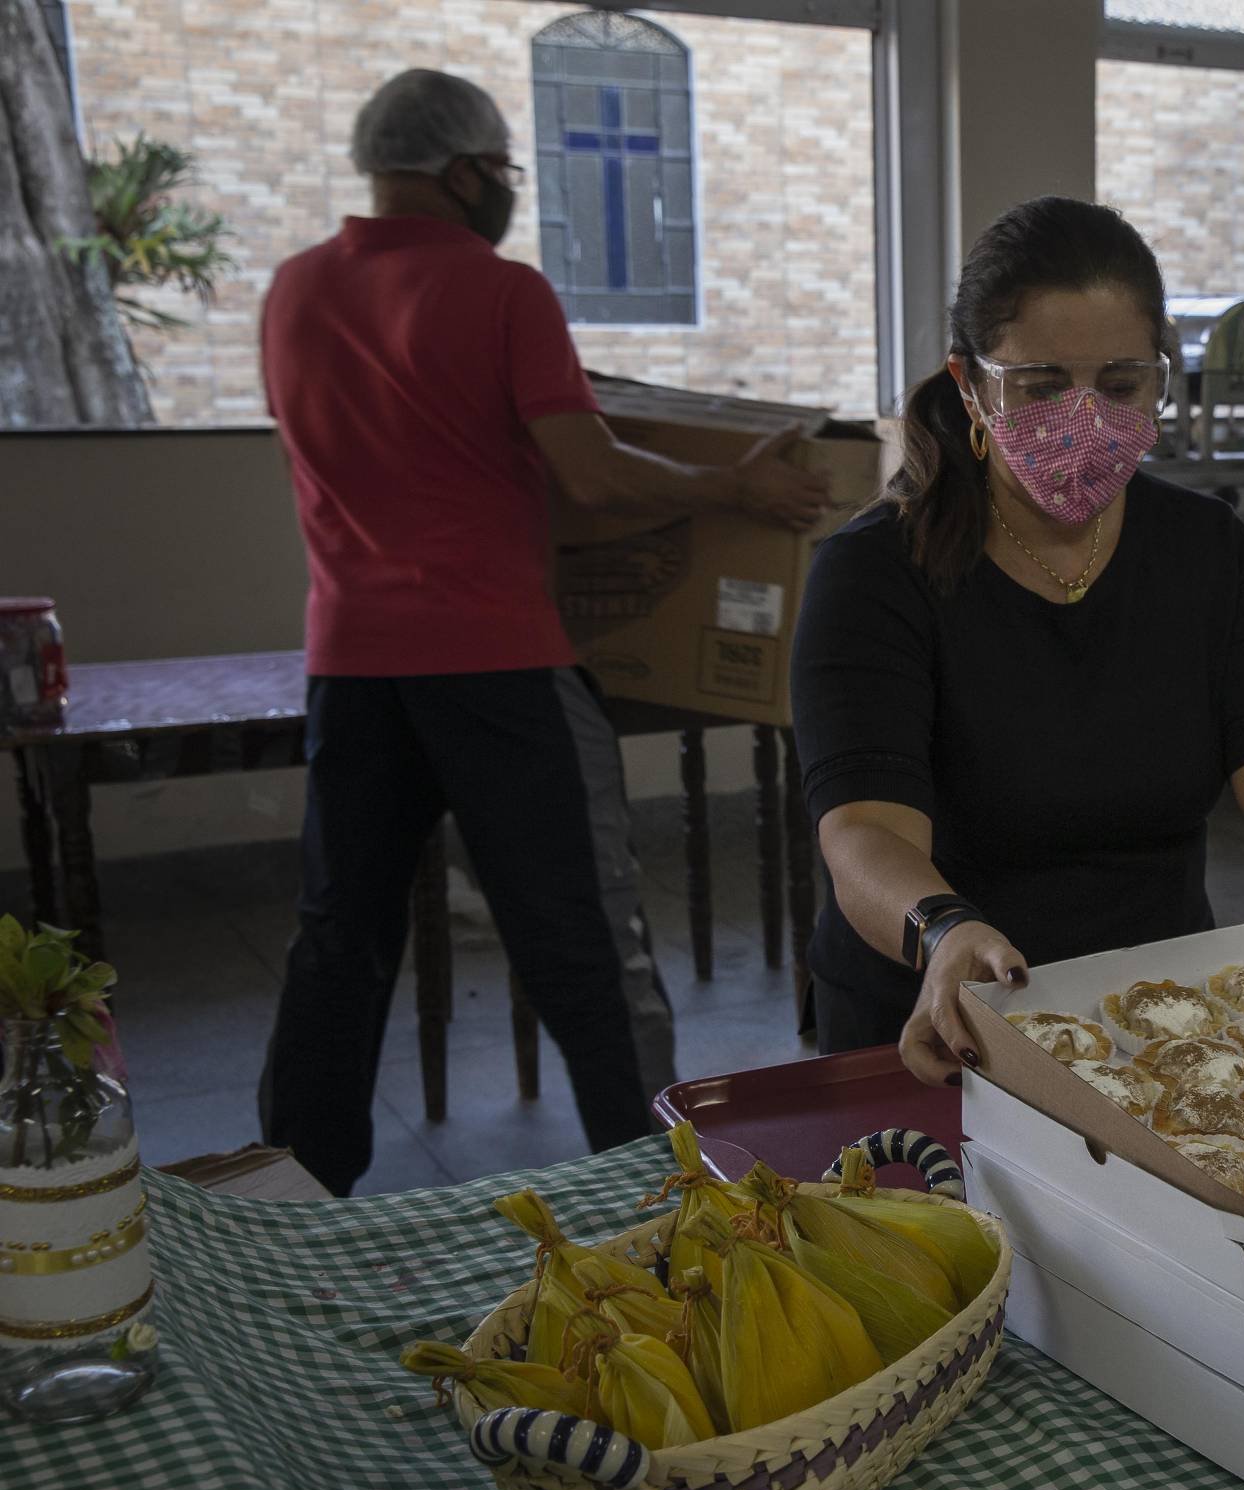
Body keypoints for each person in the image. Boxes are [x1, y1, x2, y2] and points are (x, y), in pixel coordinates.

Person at [256, 69, 832, 1194]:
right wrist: (737, 489)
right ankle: (660, 1188)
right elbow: (591, 472)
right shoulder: (501, 290)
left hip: (352, 668)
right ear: (465, 172)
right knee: (584, 947)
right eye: (505, 173)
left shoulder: (290, 292)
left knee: (339, 944)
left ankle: (291, 1204)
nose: (507, 194)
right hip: (499, 665)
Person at [791, 197, 1244, 1084]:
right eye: (1043, 385)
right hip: (938, 1025)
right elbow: (865, 830)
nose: (1086, 416)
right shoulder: (875, 573)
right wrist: (945, 929)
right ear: (972, 384)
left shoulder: (1206, 552)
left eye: (1123, 384)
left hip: (1161, 1015)